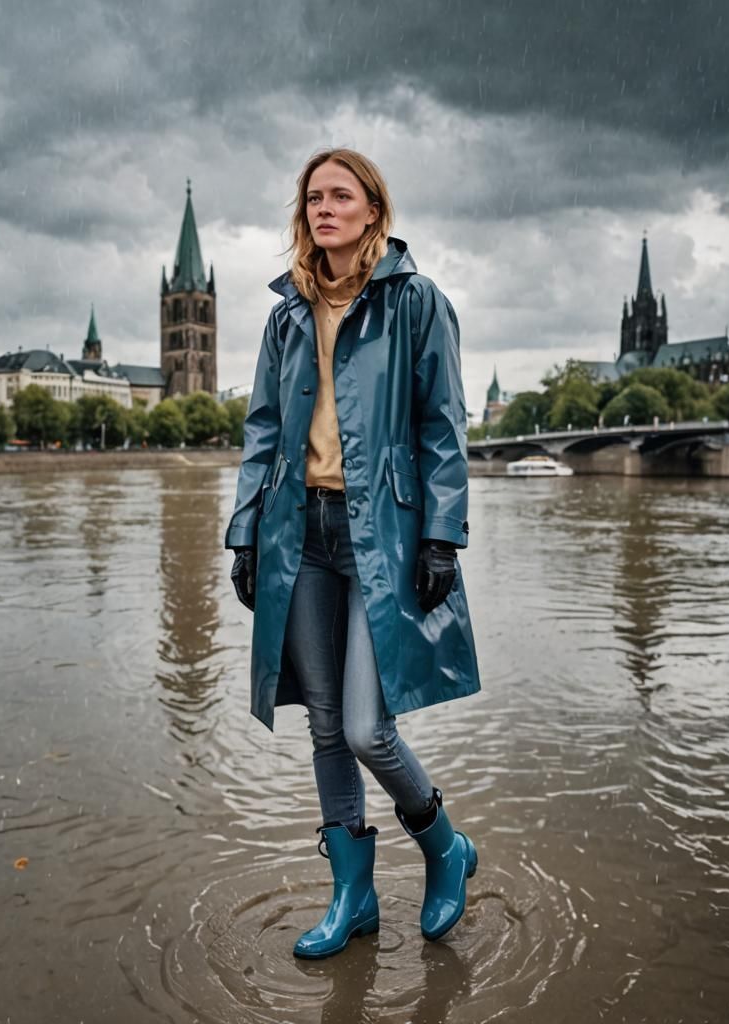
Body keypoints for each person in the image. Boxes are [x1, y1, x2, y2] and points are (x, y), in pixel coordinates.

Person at [225, 148, 481, 959]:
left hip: (384, 535)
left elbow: (443, 425)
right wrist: (243, 533)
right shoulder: (287, 313)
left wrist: (443, 534)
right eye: (312, 199)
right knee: (327, 727)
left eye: (340, 196)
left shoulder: (416, 303)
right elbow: (263, 432)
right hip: (298, 533)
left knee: (371, 728)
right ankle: (353, 896)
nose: (323, 209)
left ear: (374, 209)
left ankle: (445, 848)